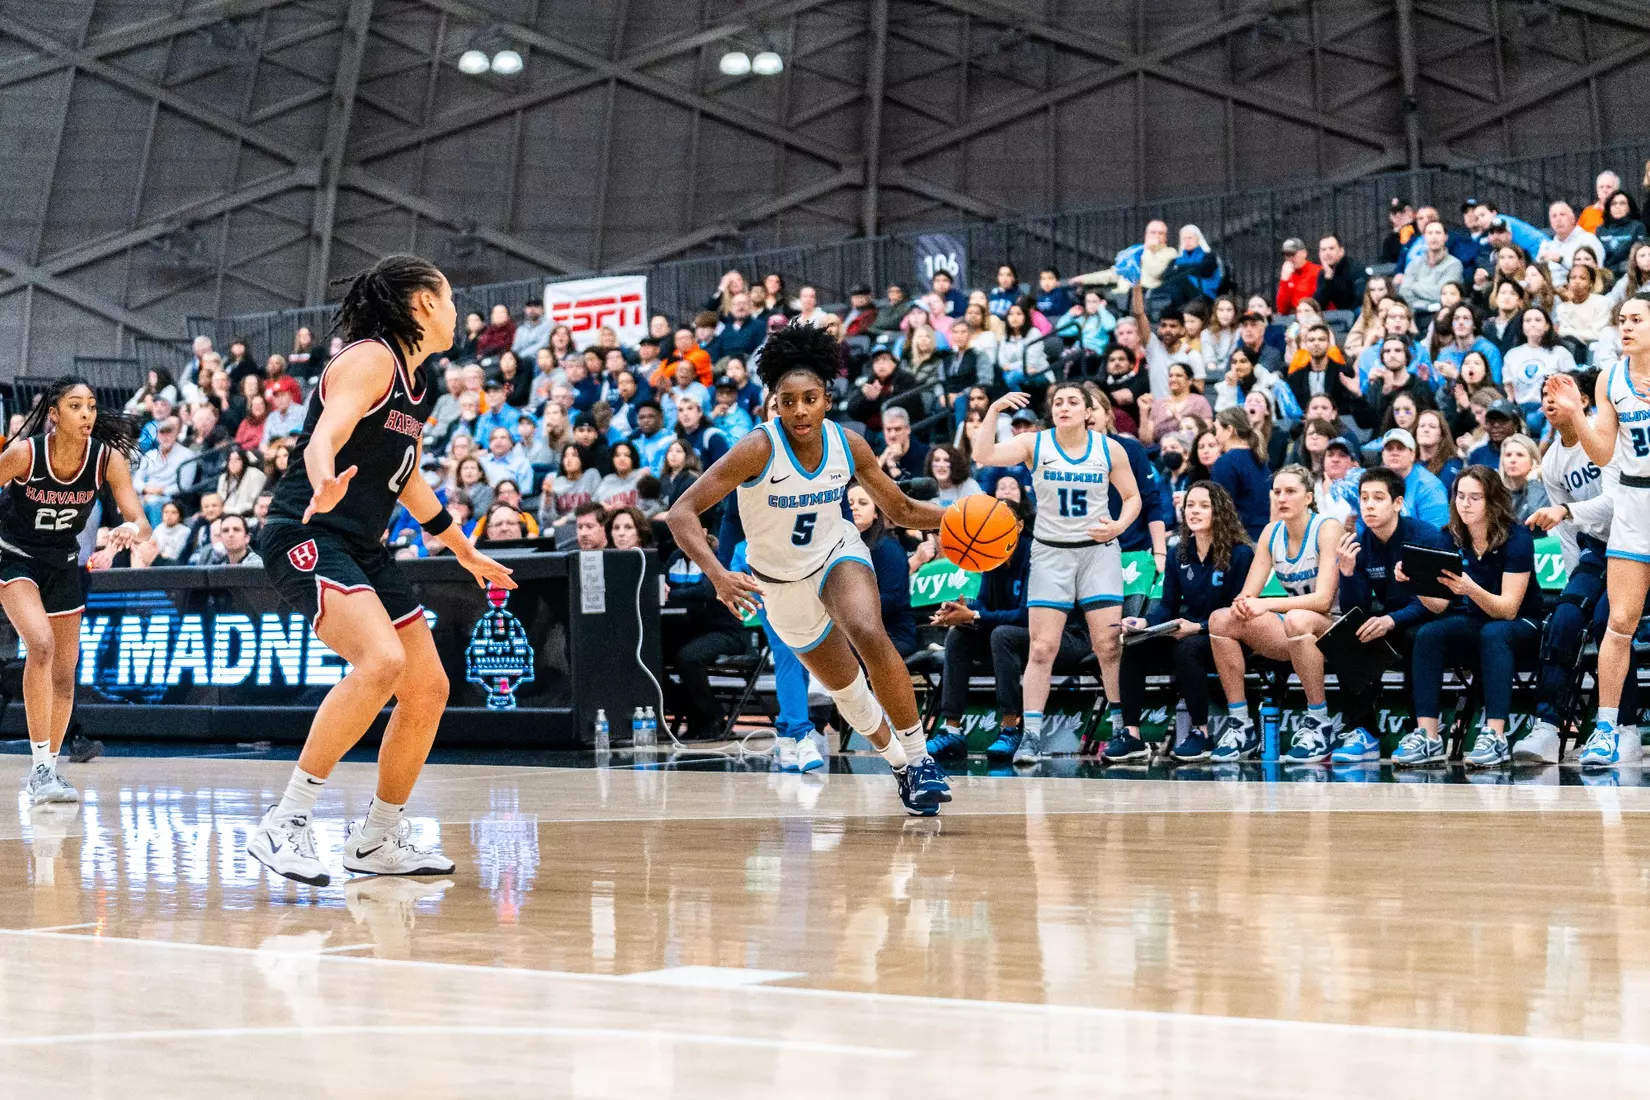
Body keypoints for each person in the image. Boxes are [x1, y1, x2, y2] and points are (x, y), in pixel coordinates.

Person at [251, 255, 516, 886]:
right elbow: (326, 435)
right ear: (424, 303)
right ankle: (286, 821)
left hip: (363, 546)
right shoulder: (370, 359)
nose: (458, 312)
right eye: (451, 299)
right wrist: (324, 476)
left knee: (428, 689)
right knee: (382, 661)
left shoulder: (418, 385)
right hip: (307, 530)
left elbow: (408, 480)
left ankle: (376, 839)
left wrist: (464, 549)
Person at [665, 324, 952, 815]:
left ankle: (921, 759)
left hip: (835, 554)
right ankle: (899, 766)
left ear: (827, 401)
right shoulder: (757, 448)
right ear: (774, 404)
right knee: (848, 692)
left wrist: (960, 518)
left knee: (867, 629)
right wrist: (718, 574)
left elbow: (901, 509)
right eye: (788, 401)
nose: (799, 410)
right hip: (780, 585)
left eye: (810, 399)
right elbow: (680, 513)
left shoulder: (849, 444)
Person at [972, 383, 1142, 764]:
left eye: (1073, 402)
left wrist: (1119, 525)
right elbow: (983, 455)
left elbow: (1133, 497)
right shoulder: (1036, 444)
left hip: (1098, 552)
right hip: (1051, 553)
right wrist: (995, 409)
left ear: (1088, 411)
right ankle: (1031, 736)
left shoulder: (1109, 449)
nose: (1064, 407)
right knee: (1041, 647)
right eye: (1058, 402)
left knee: (1108, 645)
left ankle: (1122, 729)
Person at [0, 378, 148, 805]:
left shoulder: (106, 459)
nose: (87, 414)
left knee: (65, 675)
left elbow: (142, 523)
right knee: (40, 644)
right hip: (14, 556)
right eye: (76, 406)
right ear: (54, 414)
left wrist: (127, 530)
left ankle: (47, 771)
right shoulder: (25, 454)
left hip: (63, 562)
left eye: (92, 406)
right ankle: (39, 770)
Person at [1550, 299, 1650, 765]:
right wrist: (1576, 415)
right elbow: (1604, 453)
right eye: (1622, 320)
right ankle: (1607, 728)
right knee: (1620, 622)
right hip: (1632, 504)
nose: (1626, 327)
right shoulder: (1611, 378)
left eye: (1637, 320)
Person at [1395, 467, 1544, 768]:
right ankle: (1428, 736)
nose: (1465, 503)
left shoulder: (1517, 537)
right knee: (1428, 633)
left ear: (1492, 500)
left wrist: (1470, 588)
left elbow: (1508, 609)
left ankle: (1495, 736)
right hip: (1477, 620)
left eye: (1475, 497)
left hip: (1523, 623)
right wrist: (1416, 582)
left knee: (1495, 632)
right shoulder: (1448, 537)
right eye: (1460, 496)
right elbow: (1438, 605)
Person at [1207, 466, 1344, 762]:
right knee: (1221, 620)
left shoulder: (1327, 527)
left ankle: (1320, 722)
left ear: (1308, 497)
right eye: (1277, 492)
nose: (1282, 498)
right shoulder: (1272, 532)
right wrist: (1242, 604)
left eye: (1291, 491)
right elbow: (1248, 594)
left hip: (1338, 626)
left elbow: (1323, 601)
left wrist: (1266, 605)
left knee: (1297, 618)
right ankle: (1241, 725)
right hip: (1297, 629)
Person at [1113, 482, 1253, 762]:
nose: (1194, 511)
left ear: (1219, 511)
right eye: (1190, 505)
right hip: (1191, 631)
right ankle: (1132, 735)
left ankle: (1201, 732)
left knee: (1187, 648)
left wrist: (1198, 627)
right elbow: (1167, 606)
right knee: (1134, 645)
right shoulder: (1179, 553)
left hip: (1230, 637)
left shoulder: (1240, 553)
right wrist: (1143, 622)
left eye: (1204, 506)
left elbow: (1239, 613)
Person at [1319, 467, 1450, 762]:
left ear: (1398, 503)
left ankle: (1422, 729)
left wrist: (1392, 620)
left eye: (1378, 498)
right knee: (1348, 633)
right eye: (1364, 498)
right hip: (1393, 618)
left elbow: (1435, 602)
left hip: (1435, 617)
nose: (1369, 505)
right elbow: (1356, 608)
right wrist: (1347, 573)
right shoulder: (1361, 542)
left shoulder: (1424, 536)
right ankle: (1363, 731)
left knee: (1417, 636)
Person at [845, 482, 918, 657]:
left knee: (841, 656)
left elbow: (891, 598)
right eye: (849, 504)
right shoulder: (839, 548)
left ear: (876, 513)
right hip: (854, 632)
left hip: (892, 634)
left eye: (863, 503)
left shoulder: (887, 548)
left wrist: (847, 612)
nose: (855, 507)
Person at [1209, 406, 1272, 539]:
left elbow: (1222, 509)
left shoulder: (1225, 462)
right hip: (1265, 536)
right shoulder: (1260, 458)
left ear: (1229, 430)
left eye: (1217, 430)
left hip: (1241, 539)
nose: (1215, 436)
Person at [1498, 434, 1549, 522]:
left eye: (1520, 455)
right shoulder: (1497, 492)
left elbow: (1539, 517)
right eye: (1508, 455)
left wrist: (1533, 479)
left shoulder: (1544, 490)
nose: (1512, 460)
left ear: (1534, 461)